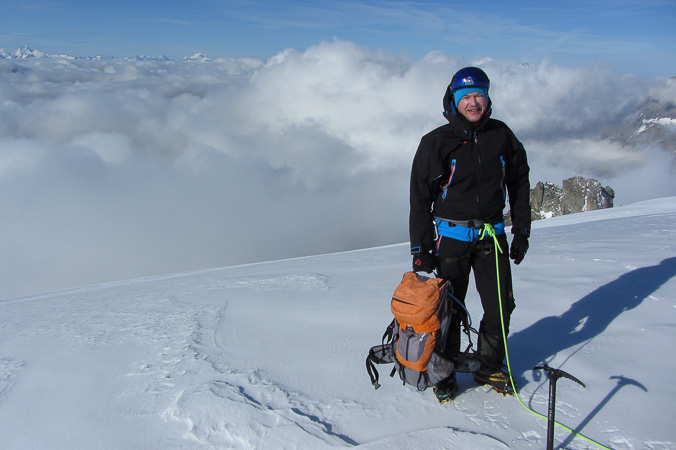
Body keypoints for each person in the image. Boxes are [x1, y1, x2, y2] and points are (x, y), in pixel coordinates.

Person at [409, 67, 531, 403]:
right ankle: (444, 373)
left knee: (501, 306)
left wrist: (522, 230)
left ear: (487, 98)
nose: (473, 102)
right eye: (466, 97)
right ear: (454, 100)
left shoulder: (502, 135)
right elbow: (419, 199)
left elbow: (519, 183)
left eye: (479, 95)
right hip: (451, 239)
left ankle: (488, 365)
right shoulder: (436, 142)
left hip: (491, 237)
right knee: (447, 310)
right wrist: (421, 249)